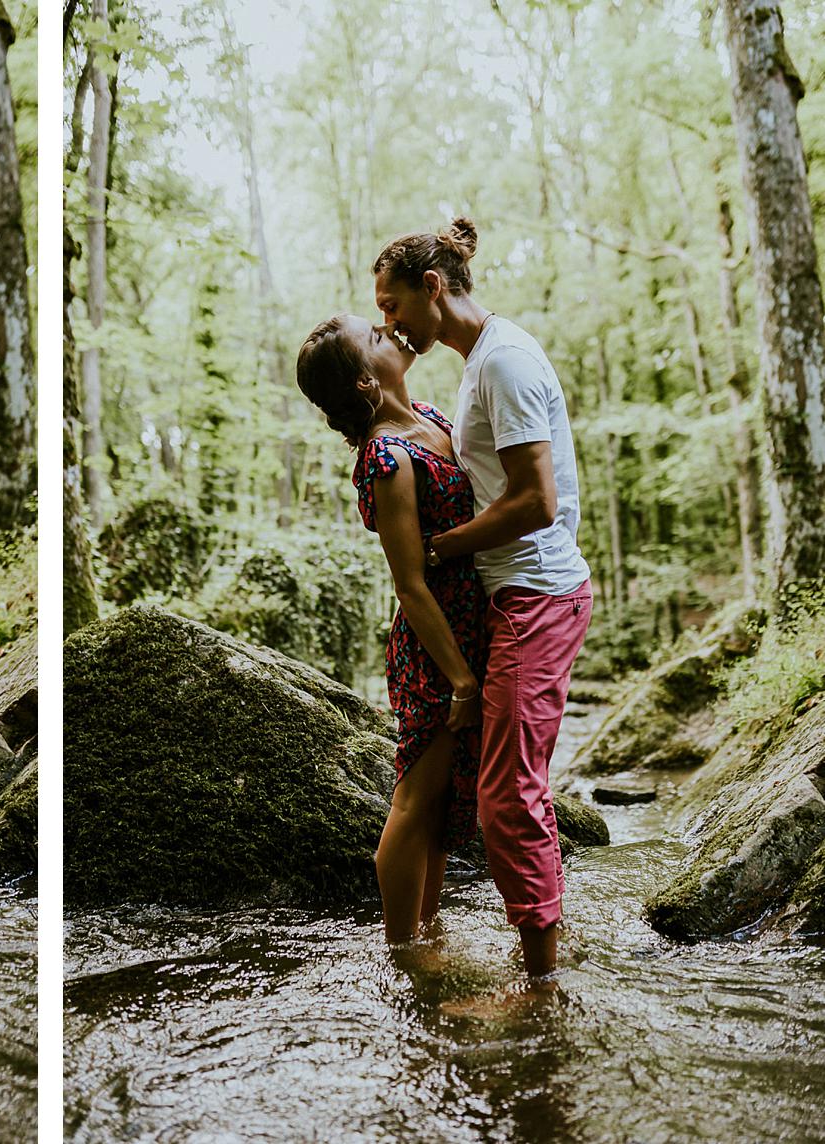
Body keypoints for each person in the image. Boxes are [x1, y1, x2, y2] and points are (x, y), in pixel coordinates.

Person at [372, 217, 593, 979]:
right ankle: (535, 958)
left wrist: (440, 548)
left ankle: (541, 986)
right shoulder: (475, 366)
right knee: (493, 792)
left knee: (506, 797)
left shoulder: (502, 363)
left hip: (538, 592)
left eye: (392, 304)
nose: (387, 322)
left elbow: (535, 501)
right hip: (511, 598)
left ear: (432, 286)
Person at [298, 313, 487, 947]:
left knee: (439, 807)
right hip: (437, 651)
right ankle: (403, 950)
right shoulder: (387, 457)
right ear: (362, 384)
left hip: (473, 631)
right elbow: (410, 582)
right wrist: (461, 677)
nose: (390, 330)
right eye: (374, 337)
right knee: (414, 801)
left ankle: (428, 932)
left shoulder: (432, 419)